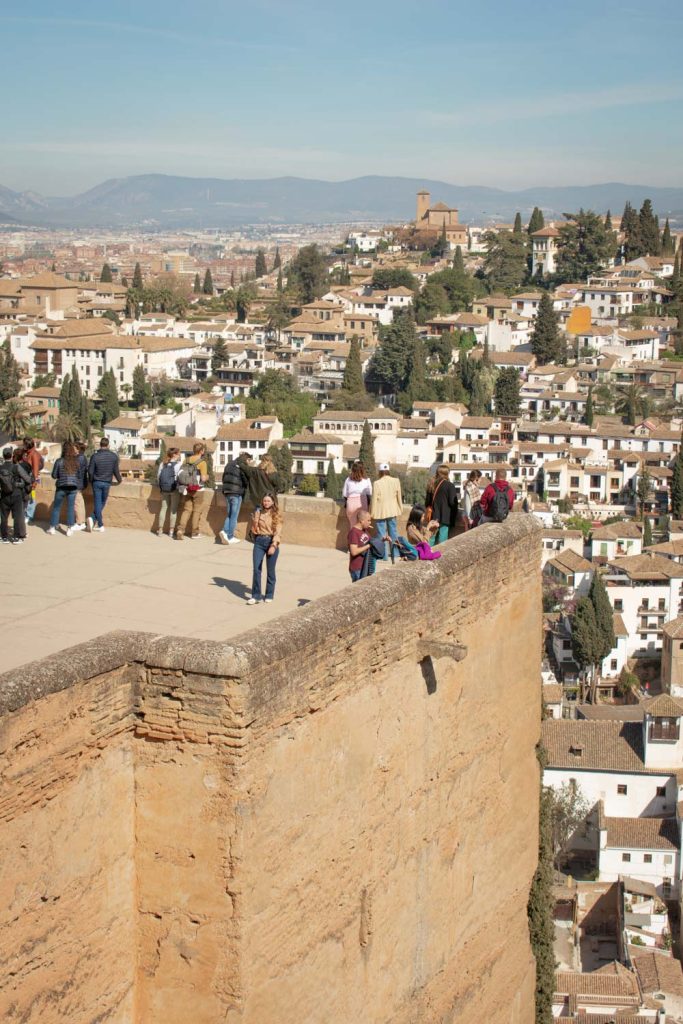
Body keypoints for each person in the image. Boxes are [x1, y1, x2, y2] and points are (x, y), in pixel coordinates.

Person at [247, 491, 282, 604]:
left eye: (268, 501)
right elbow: (254, 531)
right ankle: (256, 595)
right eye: (264, 501)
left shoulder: (276, 514)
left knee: (270, 571)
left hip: (271, 541)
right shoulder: (258, 512)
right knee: (256, 569)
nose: (266, 503)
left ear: (273, 502)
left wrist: (274, 545)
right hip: (259, 541)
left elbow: (278, 532)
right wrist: (255, 521)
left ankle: (269, 594)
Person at [47, 441, 88, 536]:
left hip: (61, 487)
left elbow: (54, 475)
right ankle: (69, 529)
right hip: (73, 487)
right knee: (70, 508)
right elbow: (79, 475)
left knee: (56, 507)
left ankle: (52, 528)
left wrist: (60, 475)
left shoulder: (59, 461)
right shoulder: (76, 461)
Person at [174, 442, 209, 540]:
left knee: (186, 510)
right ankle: (195, 533)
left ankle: (180, 530)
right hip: (198, 489)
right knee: (197, 511)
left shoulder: (186, 460)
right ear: (201, 451)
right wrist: (207, 476)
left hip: (186, 488)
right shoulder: (202, 462)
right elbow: (203, 478)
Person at [87, 436, 122, 532]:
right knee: (102, 502)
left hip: (96, 482)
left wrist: (91, 481)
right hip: (107, 482)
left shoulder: (94, 456)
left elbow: (90, 471)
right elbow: (116, 471)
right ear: (108, 445)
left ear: (100, 445)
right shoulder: (114, 456)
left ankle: (92, 518)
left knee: (98, 503)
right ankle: (100, 524)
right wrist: (119, 480)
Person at [370, 463, 402, 560]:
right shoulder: (396, 481)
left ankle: (383, 555)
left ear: (380, 472)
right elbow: (399, 496)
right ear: (388, 471)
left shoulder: (377, 483)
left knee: (381, 534)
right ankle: (395, 553)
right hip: (392, 510)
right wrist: (400, 508)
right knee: (393, 532)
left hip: (380, 511)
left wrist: (371, 513)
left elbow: (374, 499)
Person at [219, 451, 252, 545]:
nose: (249, 463)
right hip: (236, 493)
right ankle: (230, 536)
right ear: (247, 459)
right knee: (234, 516)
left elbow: (224, 477)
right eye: (249, 461)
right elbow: (245, 479)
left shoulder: (229, 464)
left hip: (227, 491)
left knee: (229, 514)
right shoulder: (242, 465)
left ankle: (224, 532)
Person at [1, 447, 31, 544]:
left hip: (4, 495)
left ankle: (4, 537)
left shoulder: (0, 468)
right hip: (16, 494)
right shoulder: (16, 467)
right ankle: (16, 538)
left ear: (3, 456)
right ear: (11, 456)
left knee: (4, 517)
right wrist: (19, 484)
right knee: (17, 516)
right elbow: (28, 479)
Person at [425, 465, 458, 545]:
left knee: (431, 539)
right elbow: (453, 503)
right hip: (445, 518)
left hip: (433, 517)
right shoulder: (449, 485)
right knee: (442, 541)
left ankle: (428, 552)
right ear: (447, 474)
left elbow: (427, 503)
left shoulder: (431, 484)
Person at [154, 447, 181, 536]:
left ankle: (160, 530)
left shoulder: (163, 464)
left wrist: (162, 486)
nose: (179, 455)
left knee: (163, 508)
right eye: (178, 454)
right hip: (174, 489)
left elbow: (158, 477)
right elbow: (180, 477)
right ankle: (171, 531)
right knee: (173, 510)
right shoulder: (179, 465)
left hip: (164, 489)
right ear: (174, 455)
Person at [347, 508, 376, 582]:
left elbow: (371, 542)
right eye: (368, 520)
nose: (370, 523)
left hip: (365, 565)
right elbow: (354, 551)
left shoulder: (364, 530)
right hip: (358, 568)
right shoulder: (353, 533)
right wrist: (368, 546)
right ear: (361, 521)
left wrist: (383, 540)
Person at [342, 460, 372, 528]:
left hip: (351, 503)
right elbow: (369, 493)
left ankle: (353, 535)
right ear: (362, 470)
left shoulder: (348, 479)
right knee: (363, 525)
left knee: (353, 525)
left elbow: (344, 494)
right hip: (362, 502)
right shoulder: (367, 480)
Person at [22, 437, 43, 525]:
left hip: (32, 479)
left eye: (24, 444)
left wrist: (34, 483)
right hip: (25, 478)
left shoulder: (34, 454)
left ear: (27, 445)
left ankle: (29, 516)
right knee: (26, 497)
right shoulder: (26, 453)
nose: (23, 445)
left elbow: (35, 469)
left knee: (32, 497)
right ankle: (25, 514)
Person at [72, 440, 89, 532]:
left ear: (78, 449)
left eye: (74, 448)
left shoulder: (79, 458)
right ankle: (80, 522)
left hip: (77, 483)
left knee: (77, 503)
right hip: (80, 483)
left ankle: (80, 523)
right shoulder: (82, 458)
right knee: (79, 503)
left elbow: (77, 472)